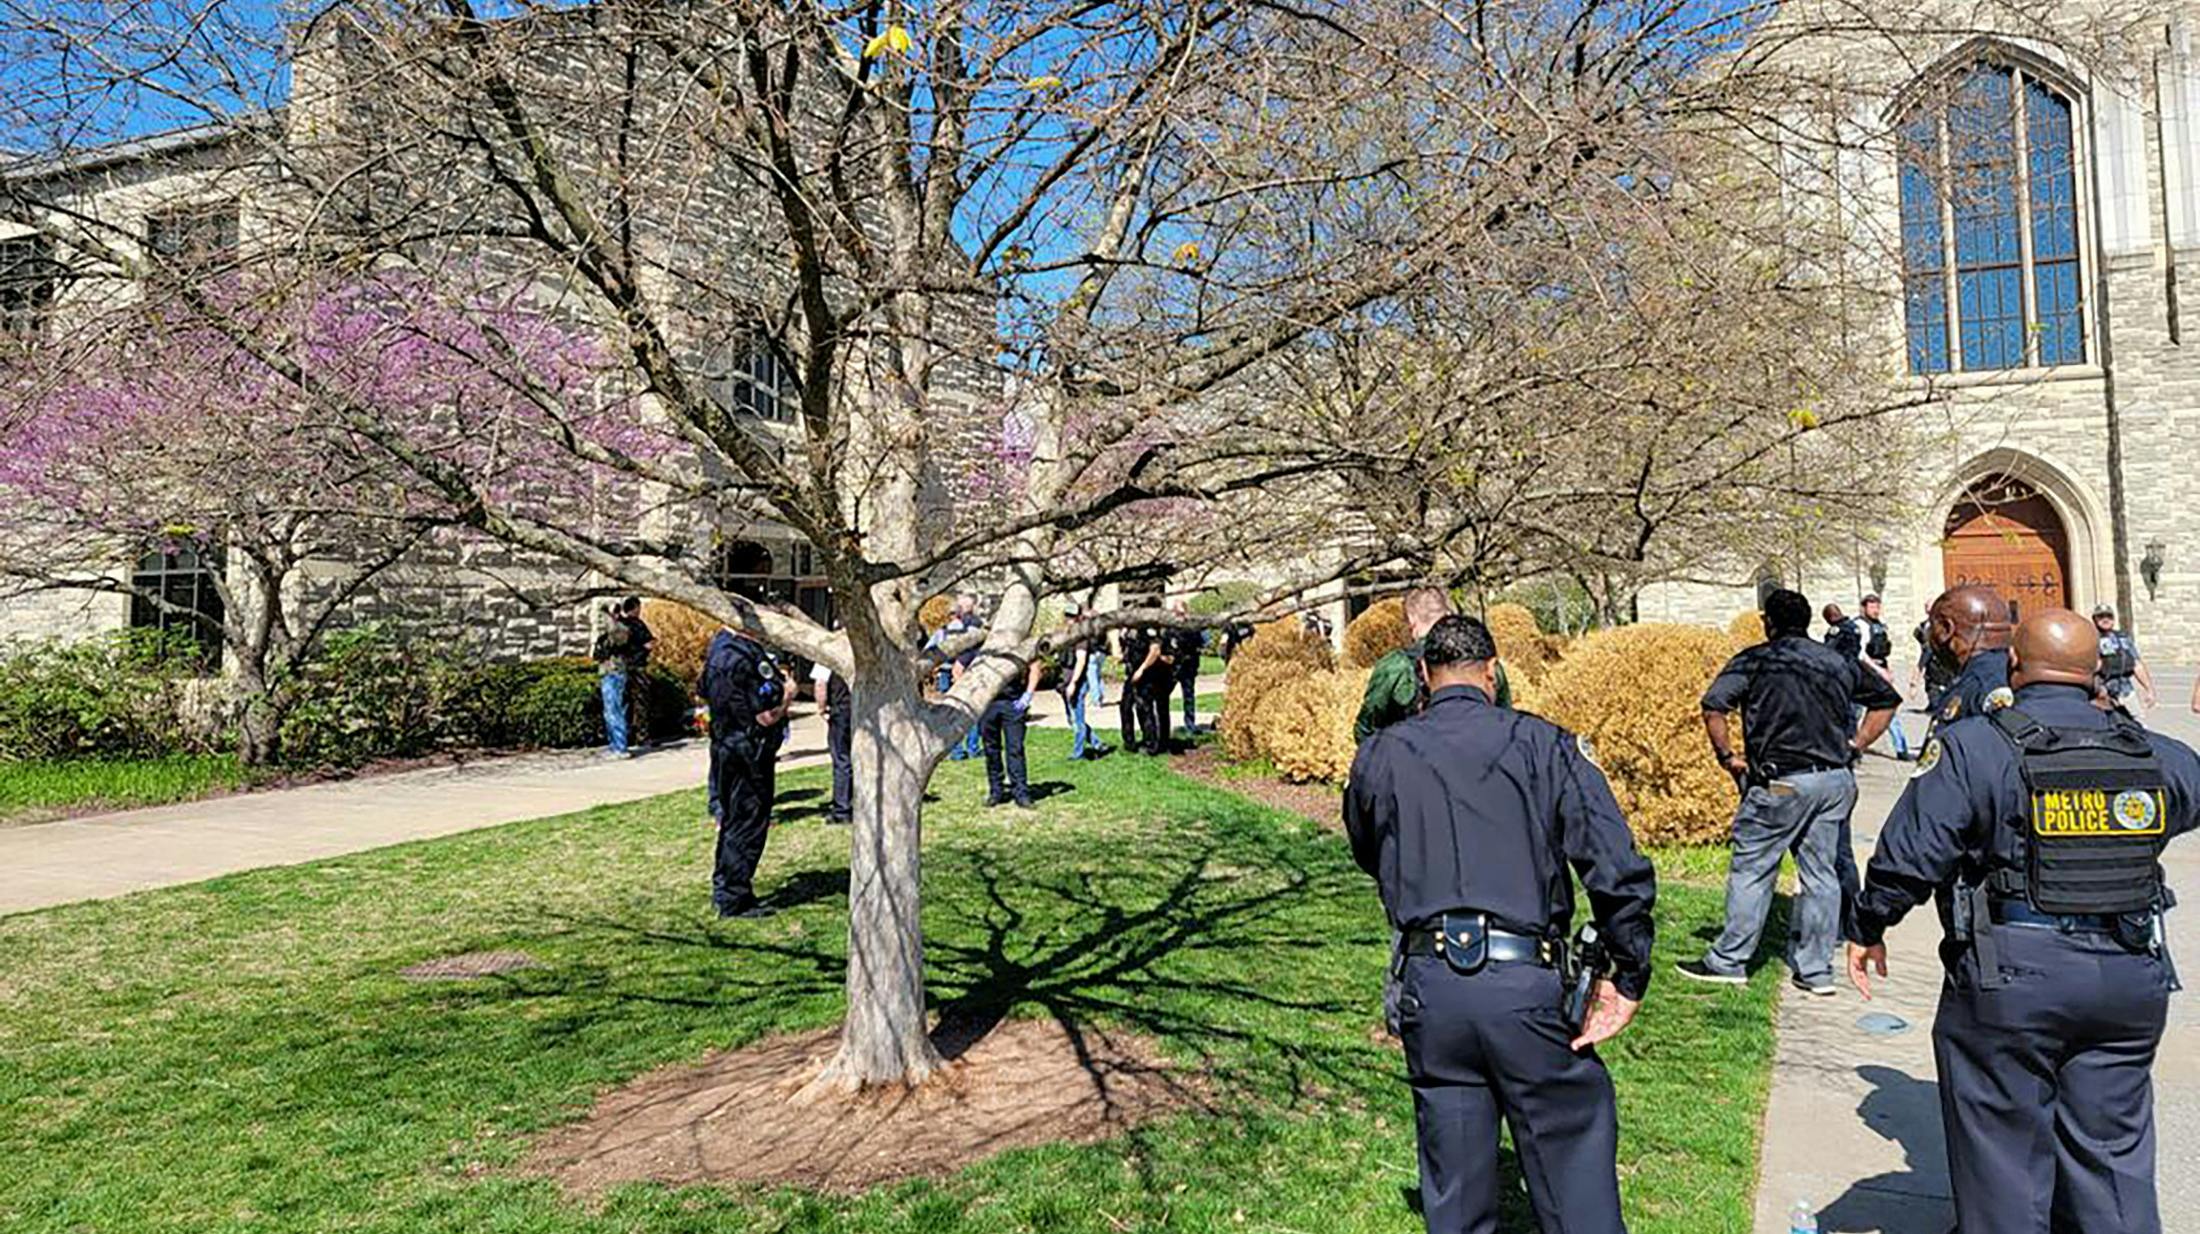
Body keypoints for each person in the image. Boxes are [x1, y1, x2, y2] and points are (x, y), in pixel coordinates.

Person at [1847, 607, 2200, 1233]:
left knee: (2003, 1164)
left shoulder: (1977, 747)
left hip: (2013, 978)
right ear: (2098, 672)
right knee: (2113, 1159)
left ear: (2014, 665)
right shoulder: (2156, 754)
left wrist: (1871, 925)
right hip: (2128, 976)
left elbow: (1911, 852)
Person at [1345, 615, 1657, 1234]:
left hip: (1431, 986)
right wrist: (1629, 971)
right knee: (1571, 1164)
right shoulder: (1544, 745)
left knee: (1455, 1192)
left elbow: (1366, 846)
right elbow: (1614, 865)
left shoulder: (1381, 753)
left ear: (1424, 680)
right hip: (1526, 987)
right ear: (1492, 673)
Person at [1677, 588, 1900, 995]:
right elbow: (1886, 700)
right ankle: (1815, 970)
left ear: (1769, 623)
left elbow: (1714, 708)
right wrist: (1858, 743)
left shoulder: (1756, 660)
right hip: (1833, 781)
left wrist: (1727, 757)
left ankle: (1729, 960)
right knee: (1821, 874)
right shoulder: (1836, 661)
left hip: (1780, 782)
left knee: (1753, 868)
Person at [701, 625, 789, 918]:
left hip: (727, 746)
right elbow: (764, 715)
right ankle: (733, 897)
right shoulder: (743, 655)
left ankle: (727, 889)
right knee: (747, 822)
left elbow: (702, 690)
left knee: (732, 820)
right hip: (748, 751)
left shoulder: (719, 648)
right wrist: (787, 695)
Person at [1355, 587, 1457, 742]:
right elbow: (1503, 721)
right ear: (1447, 615)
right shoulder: (1481, 661)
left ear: (1411, 620)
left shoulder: (1396, 666)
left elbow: (1366, 729)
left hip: (1409, 759)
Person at [1925, 585, 2014, 735]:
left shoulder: (1980, 685)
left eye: (1932, 626)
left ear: (1947, 629)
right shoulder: (2015, 672)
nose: (1929, 634)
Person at [590, 597, 654, 758]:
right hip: (607, 672)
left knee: (615, 710)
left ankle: (620, 747)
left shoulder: (621, 630)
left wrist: (608, 613)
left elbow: (615, 632)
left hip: (615, 673)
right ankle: (615, 745)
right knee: (610, 711)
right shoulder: (610, 632)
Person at [979, 655, 1044, 809]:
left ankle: (1021, 793)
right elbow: (959, 669)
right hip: (988, 705)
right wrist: (975, 699)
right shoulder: (985, 646)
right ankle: (996, 791)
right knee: (991, 750)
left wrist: (1027, 697)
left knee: (1015, 749)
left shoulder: (1018, 643)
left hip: (1013, 703)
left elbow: (1035, 667)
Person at [1856, 594, 1913, 760]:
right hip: (1864, 672)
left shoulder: (1879, 626)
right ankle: (1853, 748)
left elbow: (1882, 650)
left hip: (1879, 669)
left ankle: (1901, 749)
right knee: (1855, 713)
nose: (1876, 610)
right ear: (1864, 607)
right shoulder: (1861, 626)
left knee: (1889, 708)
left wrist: (1887, 670)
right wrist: (1877, 669)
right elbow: (1861, 653)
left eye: (1877, 606)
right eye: (1872, 606)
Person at [1058, 603, 1108, 760]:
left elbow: (1081, 661)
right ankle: (1097, 743)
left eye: (1072, 617)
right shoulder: (1065, 634)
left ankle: (1078, 753)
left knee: (1077, 719)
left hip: (1076, 681)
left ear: (1079, 617)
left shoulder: (1081, 637)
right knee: (1071, 718)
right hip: (1064, 681)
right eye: (1067, 616)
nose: (1069, 620)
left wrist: (1074, 683)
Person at [941, 593, 985, 761]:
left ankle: (960, 750)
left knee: (954, 711)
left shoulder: (956, 625)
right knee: (968, 710)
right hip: (958, 669)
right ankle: (968, 748)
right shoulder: (971, 624)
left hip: (953, 669)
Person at [810, 655, 852, 825]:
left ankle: (843, 809)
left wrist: (822, 708)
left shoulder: (828, 653)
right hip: (863, 710)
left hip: (841, 710)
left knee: (842, 759)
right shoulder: (862, 650)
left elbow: (820, 684)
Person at [2094, 604, 2158, 710]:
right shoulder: (2090, 638)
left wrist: (2149, 689)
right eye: (2101, 616)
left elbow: (2137, 665)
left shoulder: (2123, 638)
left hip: (2126, 690)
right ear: (2095, 619)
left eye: (2109, 616)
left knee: (2136, 722)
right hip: (2103, 692)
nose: (2105, 619)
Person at [1167, 600, 1205, 733]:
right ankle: (1163, 726)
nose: (1179, 616)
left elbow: (1200, 644)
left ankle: (1190, 724)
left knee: (1189, 695)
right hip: (1173, 666)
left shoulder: (1193, 627)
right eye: (1176, 612)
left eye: (1181, 613)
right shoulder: (1170, 627)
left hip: (1189, 665)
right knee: (1164, 695)